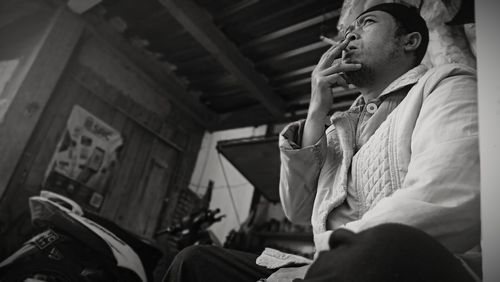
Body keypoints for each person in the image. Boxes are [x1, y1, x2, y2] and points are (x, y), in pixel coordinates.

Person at [162, 3, 480, 281]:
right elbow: (297, 209)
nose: (349, 36)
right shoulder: (340, 128)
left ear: (409, 41)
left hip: (400, 268)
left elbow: (447, 201)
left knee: (386, 245)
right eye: (350, 29)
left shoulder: (445, 85)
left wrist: (330, 254)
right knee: (194, 261)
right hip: (327, 267)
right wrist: (317, 111)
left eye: (367, 24)